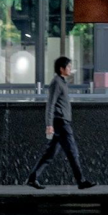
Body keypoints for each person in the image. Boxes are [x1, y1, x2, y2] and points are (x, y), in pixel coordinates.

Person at [26, 56, 95, 190]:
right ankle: (81, 181)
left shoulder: (62, 82)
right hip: (61, 122)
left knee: (50, 154)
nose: (70, 69)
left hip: (61, 121)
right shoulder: (56, 83)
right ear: (61, 69)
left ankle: (32, 178)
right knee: (72, 152)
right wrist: (49, 124)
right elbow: (50, 104)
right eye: (68, 67)